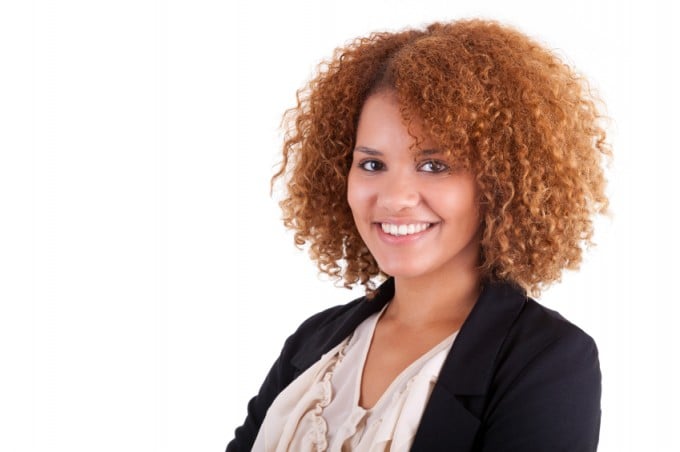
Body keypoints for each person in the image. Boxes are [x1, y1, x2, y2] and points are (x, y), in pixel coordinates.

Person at [227, 18, 609, 452]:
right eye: (372, 164)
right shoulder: (314, 343)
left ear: (499, 182)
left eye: (434, 165)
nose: (395, 198)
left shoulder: (547, 360)